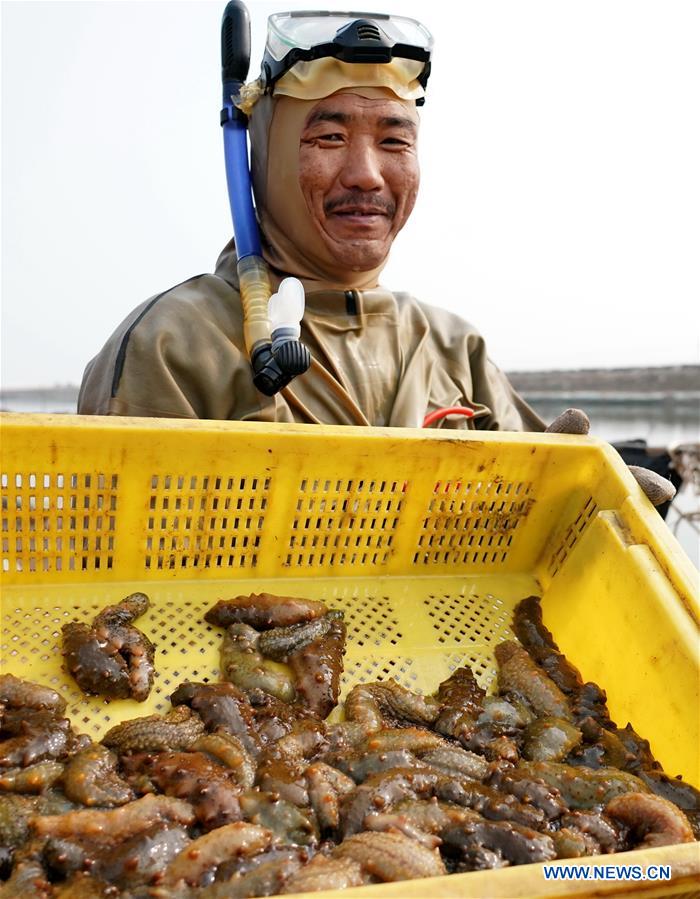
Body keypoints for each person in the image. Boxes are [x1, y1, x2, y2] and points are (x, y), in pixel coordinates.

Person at [77, 8, 673, 505]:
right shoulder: (174, 343)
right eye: (328, 138)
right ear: (267, 156)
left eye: (394, 141)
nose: (366, 176)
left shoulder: (452, 348)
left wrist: (581, 506)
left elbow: (534, 535)